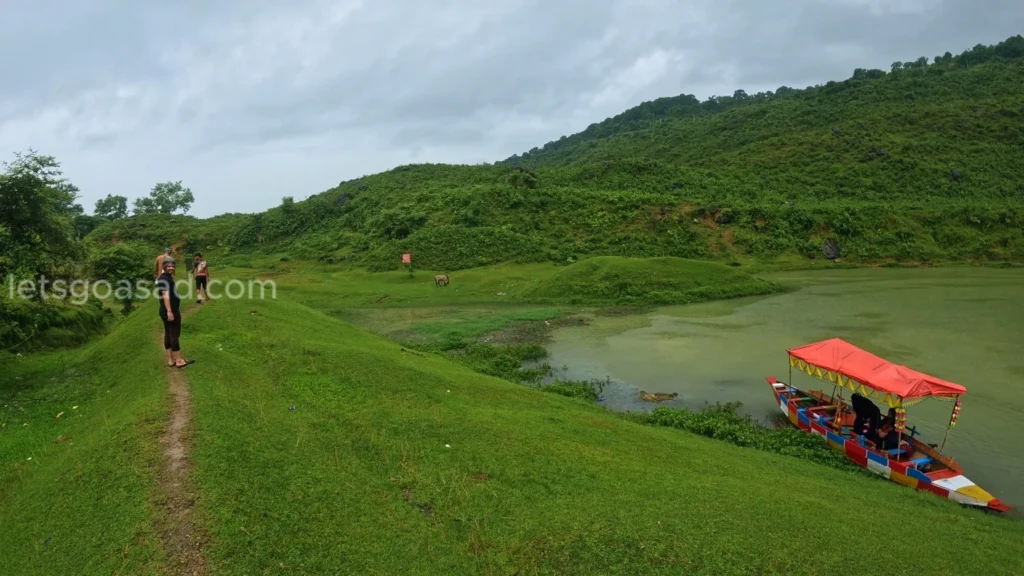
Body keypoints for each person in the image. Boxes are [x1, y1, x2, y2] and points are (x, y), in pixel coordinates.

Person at [156, 257, 193, 368]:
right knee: (174, 335)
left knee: (168, 334)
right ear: (164, 267)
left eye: (173, 266)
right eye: (169, 266)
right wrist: (170, 311)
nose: (171, 268)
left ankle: (171, 360)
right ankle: (179, 361)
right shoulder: (164, 279)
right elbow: (165, 296)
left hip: (166, 311)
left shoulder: (165, 277)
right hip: (170, 311)